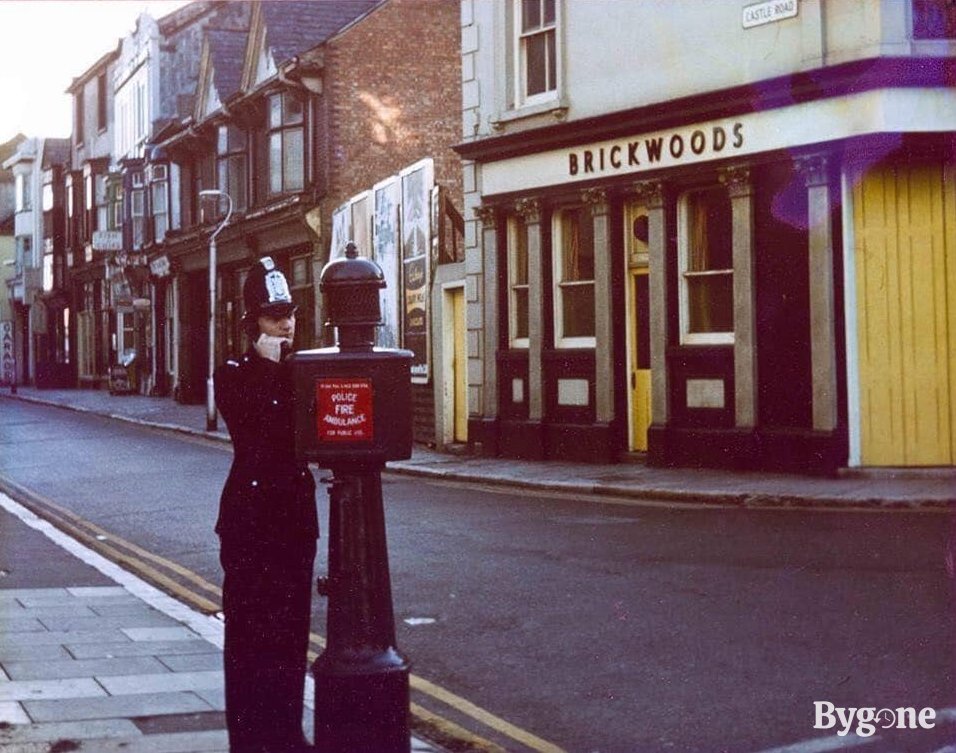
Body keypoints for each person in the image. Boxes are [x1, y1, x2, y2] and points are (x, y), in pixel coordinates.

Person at [214, 256, 319, 753]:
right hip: (250, 521)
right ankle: (250, 738)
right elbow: (254, 434)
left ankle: (286, 732)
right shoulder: (233, 372)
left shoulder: (304, 369)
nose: (285, 322)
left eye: (290, 312)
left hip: (295, 520)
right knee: (249, 634)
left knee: (291, 629)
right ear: (252, 321)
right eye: (274, 313)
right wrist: (269, 367)